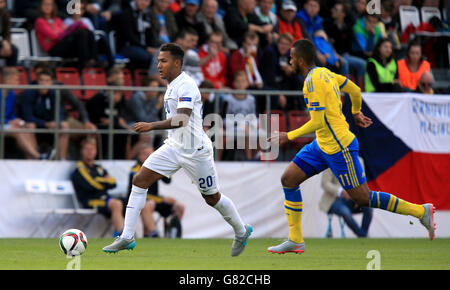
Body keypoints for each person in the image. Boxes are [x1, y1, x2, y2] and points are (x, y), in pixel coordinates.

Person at [266, 39, 436, 254]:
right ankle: (296, 239)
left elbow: (318, 121)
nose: (289, 61)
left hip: (339, 147)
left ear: (300, 60)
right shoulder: (325, 73)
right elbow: (355, 89)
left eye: (291, 58)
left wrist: (287, 135)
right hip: (322, 144)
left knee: (363, 198)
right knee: (288, 179)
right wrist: (355, 112)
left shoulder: (311, 83)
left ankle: (421, 212)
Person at [103, 43, 252, 256]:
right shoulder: (171, 85)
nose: (159, 66)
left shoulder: (187, 85)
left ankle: (241, 231)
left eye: (163, 61)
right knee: (139, 180)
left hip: (195, 150)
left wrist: (151, 126)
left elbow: (182, 118)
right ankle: (127, 236)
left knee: (212, 198)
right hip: (174, 146)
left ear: (177, 62)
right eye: (158, 61)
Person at [70, 137, 157, 238]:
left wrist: (100, 180)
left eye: (92, 149)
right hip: (90, 200)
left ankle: (153, 234)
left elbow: (113, 183)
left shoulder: (99, 167)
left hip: (106, 199)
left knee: (141, 202)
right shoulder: (79, 168)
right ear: (82, 151)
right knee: (116, 203)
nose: (90, 152)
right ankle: (122, 236)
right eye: (87, 149)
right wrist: (104, 181)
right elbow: (92, 185)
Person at [127, 144, 185, 238]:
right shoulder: (135, 170)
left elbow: (168, 180)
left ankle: (172, 233)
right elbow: (136, 193)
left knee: (179, 206)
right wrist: (161, 199)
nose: (148, 157)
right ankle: (152, 234)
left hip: (154, 199)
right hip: (139, 200)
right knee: (148, 204)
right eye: (145, 154)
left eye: (151, 154)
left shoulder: (155, 166)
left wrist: (165, 167)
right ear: (139, 156)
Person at [19, 67, 71, 160]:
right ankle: (35, 158)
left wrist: (56, 121)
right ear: (37, 81)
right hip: (35, 123)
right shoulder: (28, 93)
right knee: (30, 126)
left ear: (51, 82)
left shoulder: (54, 93)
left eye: (47, 81)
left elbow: (59, 112)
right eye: (41, 80)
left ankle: (61, 159)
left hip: (49, 124)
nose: (44, 83)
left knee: (64, 125)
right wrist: (44, 123)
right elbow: (28, 116)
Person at [35, 0, 97, 70]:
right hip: (54, 49)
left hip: (62, 44)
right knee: (80, 33)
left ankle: (92, 60)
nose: (48, 7)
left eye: (50, 5)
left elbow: (64, 32)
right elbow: (56, 37)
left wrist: (60, 33)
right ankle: (84, 65)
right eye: (45, 4)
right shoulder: (40, 21)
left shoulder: (57, 19)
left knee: (88, 32)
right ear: (40, 7)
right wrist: (62, 33)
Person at [86, 67, 132, 159]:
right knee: (108, 132)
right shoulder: (99, 97)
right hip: (98, 125)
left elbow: (120, 117)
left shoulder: (121, 97)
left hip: (113, 124)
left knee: (124, 132)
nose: (122, 81)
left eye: (122, 78)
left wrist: (127, 127)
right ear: (109, 79)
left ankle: (121, 160)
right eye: (119, 78)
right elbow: (100, 119)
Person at [320, 162, 373, 238]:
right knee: (345, 212)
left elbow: (362, 182)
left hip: (353, 199)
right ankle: (363, 236)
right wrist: (340, 192)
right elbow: (325, 183)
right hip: (334, 199)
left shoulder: (359, 160)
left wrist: (359, 196)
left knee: (368, 208)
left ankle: (363, 235)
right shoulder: (330, 161)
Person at [0, 67, 42, 160]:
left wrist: (16, 120)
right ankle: (37, 156)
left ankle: (32, 159)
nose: (18, 82)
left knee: (28, 128)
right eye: (16, 80)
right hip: (2, 124)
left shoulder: (11, 94)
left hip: (6, 124)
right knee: (17, 131)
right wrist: (8, 122)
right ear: (7, 80)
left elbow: (11, 114)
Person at [125, 77, 164, 159]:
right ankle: (147, 158)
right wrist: (157, 107)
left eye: (157, 87)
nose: (156, 90)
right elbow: (143, 120)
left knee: (166, 131)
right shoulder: (136, 98)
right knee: (148, 132)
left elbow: (155, 119)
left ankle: (161, 157)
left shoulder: (153, 99)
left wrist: (161, 126)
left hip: (145, 123)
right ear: (145, 88)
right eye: (153, 87)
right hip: (131, 123)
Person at [0, 0, 18, 66]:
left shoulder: (5, 13)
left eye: (1, 2)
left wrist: (7, 44)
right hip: (1, 41)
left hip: (2, 42)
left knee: (13, 50)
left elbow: (7, 32)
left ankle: (10, 74)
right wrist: (3, 42)